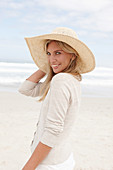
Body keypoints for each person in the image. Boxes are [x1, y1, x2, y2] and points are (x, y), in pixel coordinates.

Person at [18, 27, 95, 170]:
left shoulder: (61, 81)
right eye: (48, 53)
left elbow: (53, 130)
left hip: (49, 164)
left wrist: (28, 167)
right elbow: (25, 89)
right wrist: (49, 64)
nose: (52, 58)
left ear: (73, 55)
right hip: (62, 158)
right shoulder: (72, 79)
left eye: (58, 53)